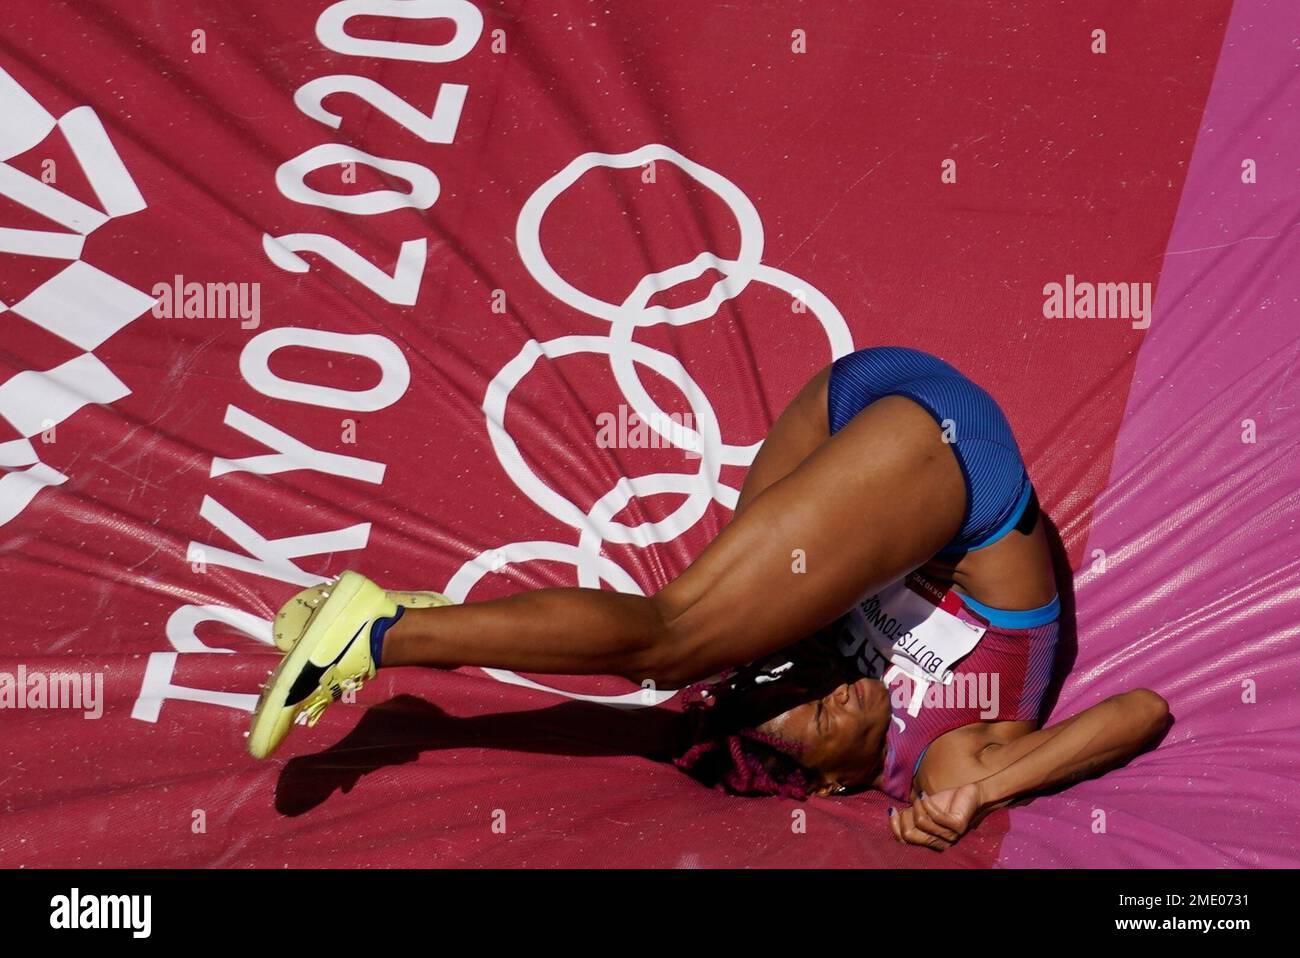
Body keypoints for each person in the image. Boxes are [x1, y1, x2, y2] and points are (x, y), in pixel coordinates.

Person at [248, 346, 1169, 850]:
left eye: (799, 704)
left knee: (680, 645)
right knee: (681, 635)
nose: (828, 692)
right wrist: (986, 795)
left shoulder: (817, 692)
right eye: (813, 720)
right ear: (835, 780)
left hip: (865, 412)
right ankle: (407, 626)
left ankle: (389, 630)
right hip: (953, 462)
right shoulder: (941, 768)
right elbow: (1140, 712)